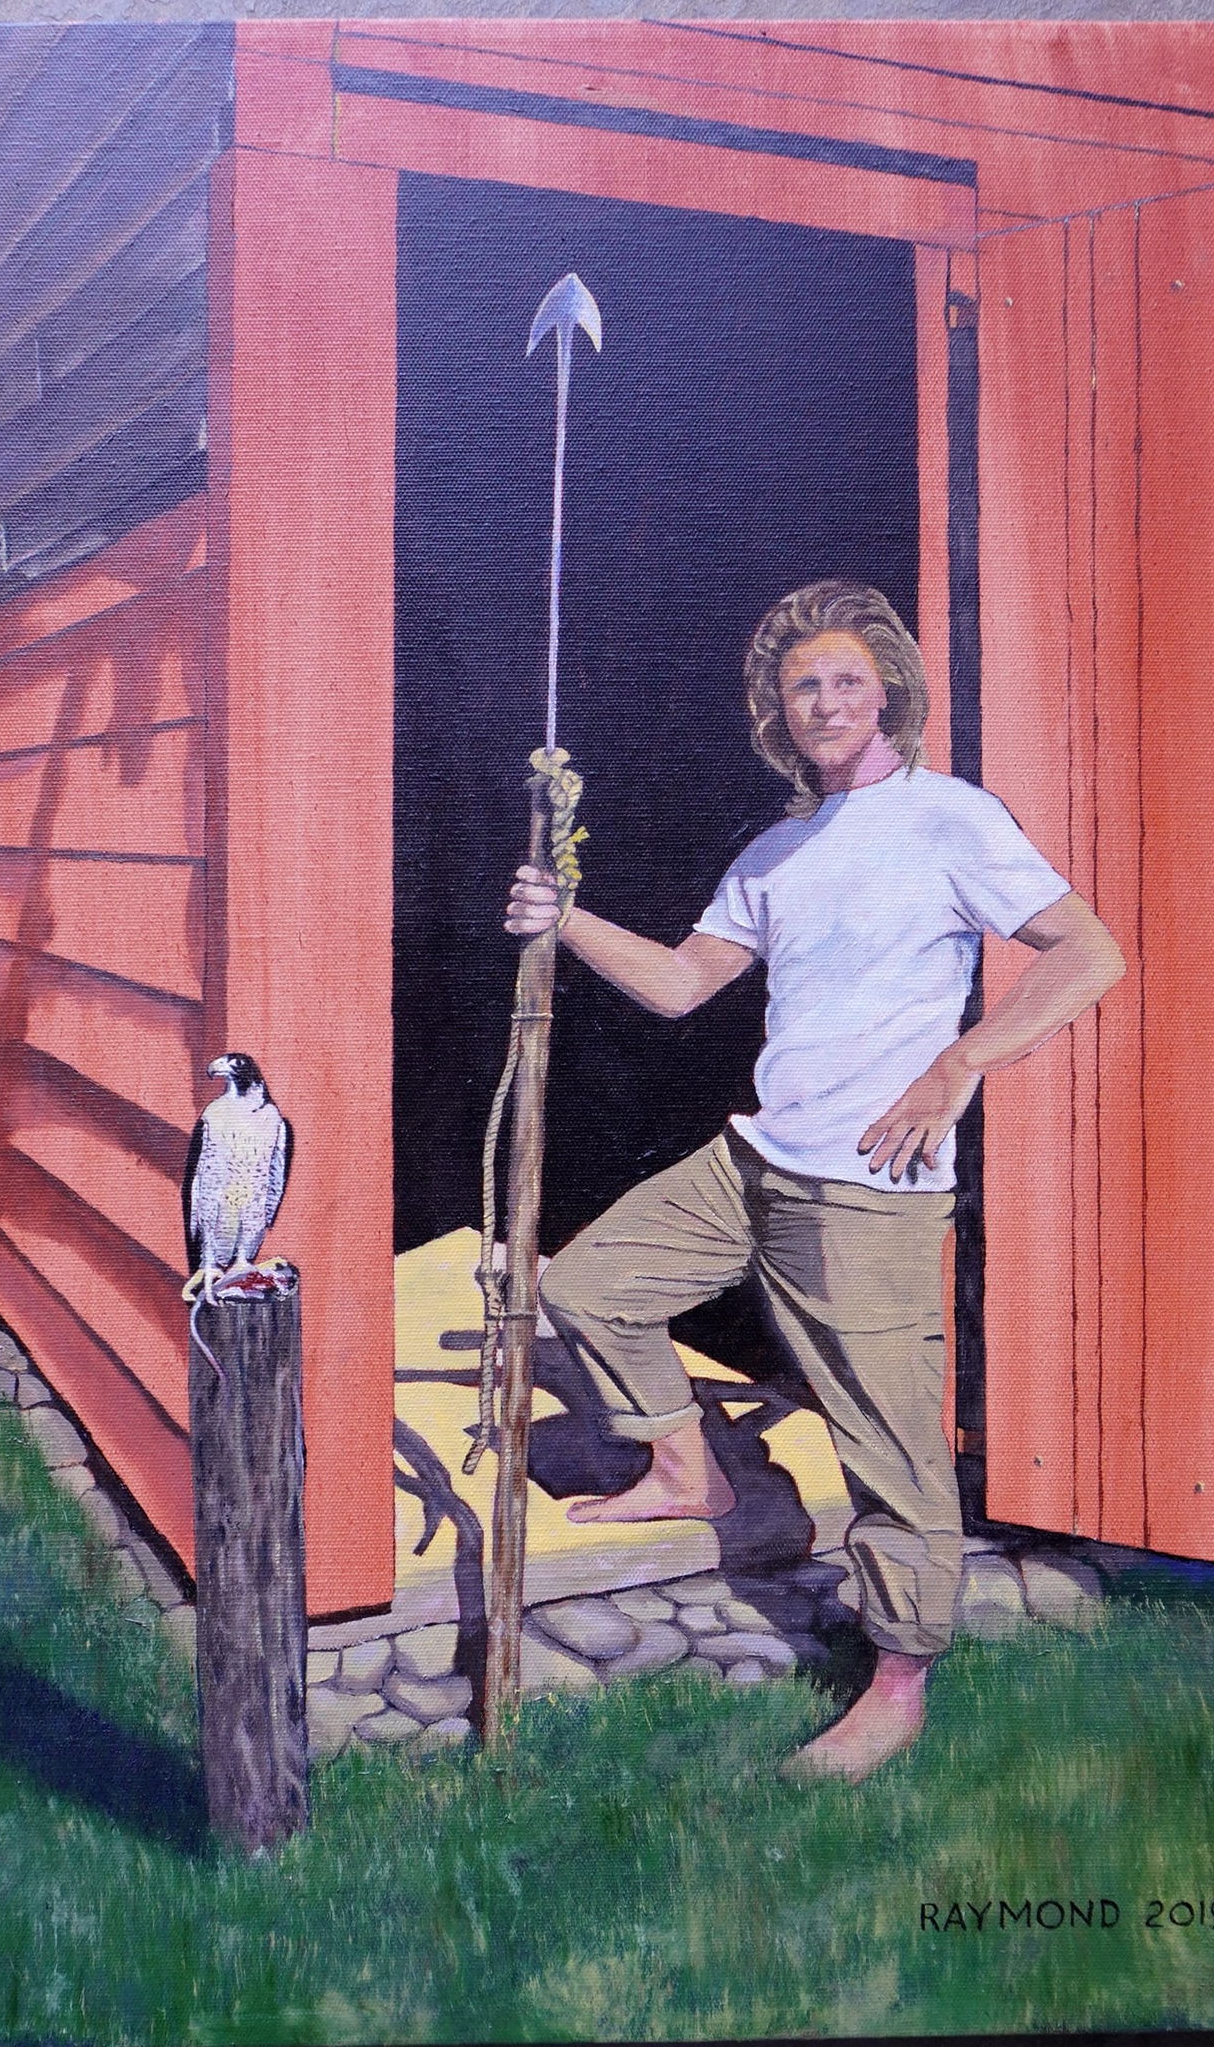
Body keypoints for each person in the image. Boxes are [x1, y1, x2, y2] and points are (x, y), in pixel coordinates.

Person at [505, 581, 1123, 1780]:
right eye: (803, 688)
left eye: (845, 678)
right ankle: (684, 1468)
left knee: (886, 1441)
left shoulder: (950, 818)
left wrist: (961, 1062)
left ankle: (897, 1681)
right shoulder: (779, 851)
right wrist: (564, 918)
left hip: (867, 1186)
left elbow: (1087, 952)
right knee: (588, 1286)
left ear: (884, 687)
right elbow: (685, 983)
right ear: (777, 717)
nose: (826, 700)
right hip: (759, 1157)